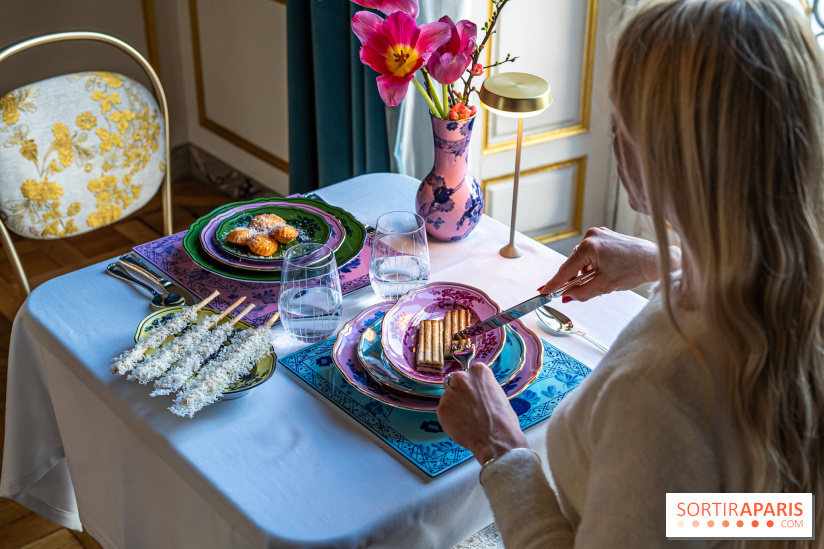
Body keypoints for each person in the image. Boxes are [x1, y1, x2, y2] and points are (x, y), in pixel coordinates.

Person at [436, 0, 824, 546]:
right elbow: (758, 509)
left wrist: (501, 450)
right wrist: (666, 259)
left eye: (622, 120)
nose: (614, 138)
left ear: (659, 162)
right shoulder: (795, 280)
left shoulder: (655, 400)